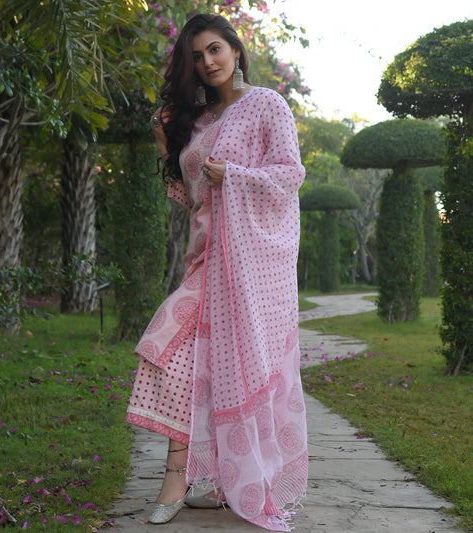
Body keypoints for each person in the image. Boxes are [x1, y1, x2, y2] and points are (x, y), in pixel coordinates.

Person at [125, 13, 308, 532]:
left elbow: (289, 174)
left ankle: (192, 481)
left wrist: (236, 175)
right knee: (166, 352)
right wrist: (167, 145)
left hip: (251, 269)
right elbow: (193, 198)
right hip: (207, 262)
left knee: (203, 364)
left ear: (235, 48)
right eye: (197, 57)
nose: (207, 62)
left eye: (214, 49)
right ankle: (189, 478)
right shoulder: (201, 123)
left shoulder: (267, 103)